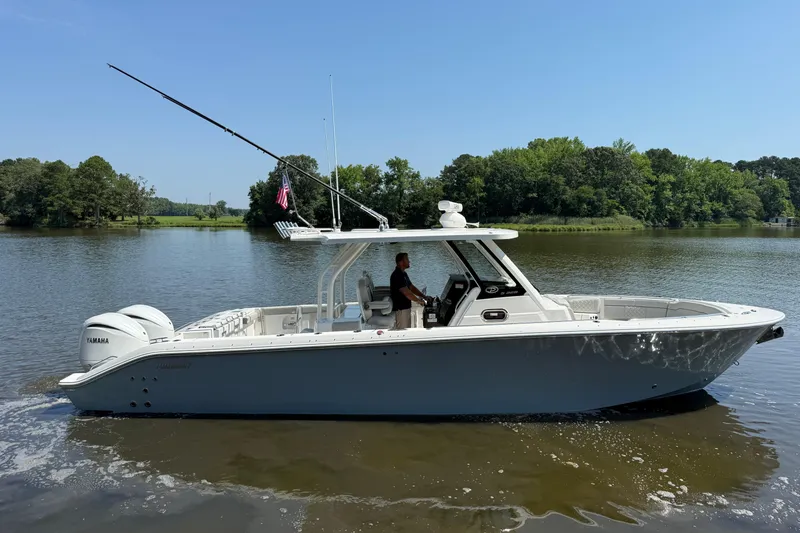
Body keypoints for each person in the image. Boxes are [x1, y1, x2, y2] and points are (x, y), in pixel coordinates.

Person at [390, 252, 431, 329]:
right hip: (401, 310)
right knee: (402, 334)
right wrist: (419, 301)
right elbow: (406, 292)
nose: (409, 261)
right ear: (401, 262)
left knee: (407, 331)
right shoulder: (397, 275)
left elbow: (411, 288)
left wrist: (423, 296)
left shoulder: (403, 274)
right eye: (407, 259)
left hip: (407, 308)